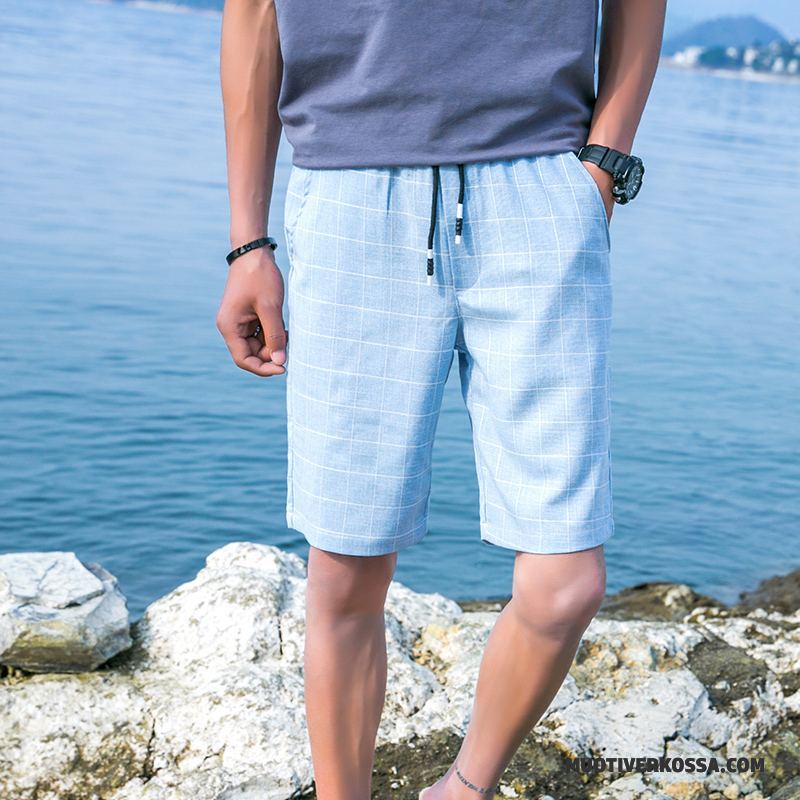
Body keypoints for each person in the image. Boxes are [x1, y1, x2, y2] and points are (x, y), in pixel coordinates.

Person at [215, 1, 665, 797]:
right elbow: (253, 9)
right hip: (352, 195)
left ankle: (462, 789)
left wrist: (603, 161)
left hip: (540, 189)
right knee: (345, 571)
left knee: (568, 583)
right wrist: (248, 243)